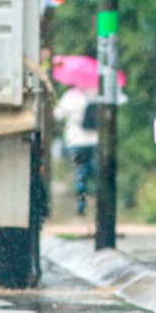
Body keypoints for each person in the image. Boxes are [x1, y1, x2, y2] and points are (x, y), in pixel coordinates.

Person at [53, 85, 98, 216]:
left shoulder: (70, 96)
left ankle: (81, 205)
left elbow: (57, 115)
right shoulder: (95, 94)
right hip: (94, 141)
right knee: (94, 170)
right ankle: (97, 198)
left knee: (79, 173)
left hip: (75, 141)